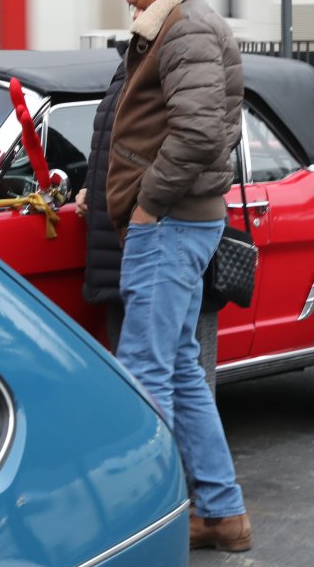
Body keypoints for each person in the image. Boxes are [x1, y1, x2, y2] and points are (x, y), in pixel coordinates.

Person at [106, 0, 250, 553]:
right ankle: (221, 512)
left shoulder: (185, 26)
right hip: (179, 221)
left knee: (143, 374)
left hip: (167, 225)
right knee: (180, 369)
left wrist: (147, 206)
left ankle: (147, 525)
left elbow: (197, 133)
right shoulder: (177, 24)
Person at [75, 51, 220, 392]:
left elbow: (197, 143)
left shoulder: (181, 53)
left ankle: (167, 430)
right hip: (119, 240)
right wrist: (91, 188)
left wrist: (146, 206)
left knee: (177, 375)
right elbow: (116, 145)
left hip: (160, 233)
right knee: (137, 377)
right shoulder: (130, 63)